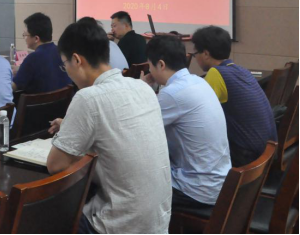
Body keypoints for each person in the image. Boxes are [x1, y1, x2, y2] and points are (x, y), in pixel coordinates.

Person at [47, 19, 171, 234]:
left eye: (64, 64)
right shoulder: (142, 88)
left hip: (121, 225)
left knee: (47, 218)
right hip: (158, 222)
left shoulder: (88, 97)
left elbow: (55, 165)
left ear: (76, 60)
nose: (66, 70)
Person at [144, 35, 231, 211]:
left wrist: (142, 88)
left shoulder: (172, 93)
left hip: (196, 190)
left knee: (127, 181)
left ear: (160, 64)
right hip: (220, 182)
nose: (150, 71)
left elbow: (137, 128)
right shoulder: (198, 81)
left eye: (150, 66)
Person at [192, 25, 277, 167]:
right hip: (266, 150)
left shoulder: (216, 73)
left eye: (195, 54)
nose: (195, 58)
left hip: (246, 155)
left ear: (206, 54)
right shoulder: (241, 70)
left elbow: (197, 112)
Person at [12, 13, 73, 93]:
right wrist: (21, 69)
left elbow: (13, 87)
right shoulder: (62, 52)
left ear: (36, 39)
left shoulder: (32, 58)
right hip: (64, 100)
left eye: (25, 35)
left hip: (37, 101)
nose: (24, 38)